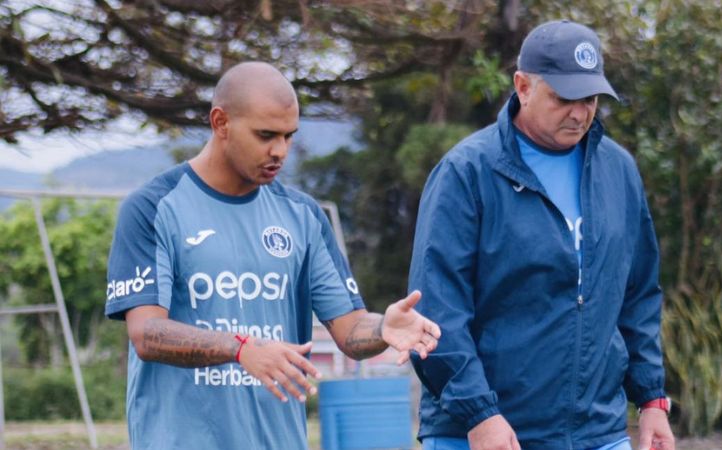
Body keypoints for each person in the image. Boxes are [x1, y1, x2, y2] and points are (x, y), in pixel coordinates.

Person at [105, 61, 441, 450]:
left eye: (288, 136)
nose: (279, 151)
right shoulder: (154, 207)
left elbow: (349, 330)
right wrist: (241, 349)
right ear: (221, 122)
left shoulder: (303, 216)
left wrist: (383, 328)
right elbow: (146, 334)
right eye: (265, 135)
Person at [408, 20, 675, 450]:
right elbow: (437, 311)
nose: (579, 113)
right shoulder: (467, 173)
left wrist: (651, 400)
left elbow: (638, 294)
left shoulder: (618, 170)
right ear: (523, 86)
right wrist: (480, 414)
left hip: (596, 433)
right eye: (563, 98)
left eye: (589, 99)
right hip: (484, 432)